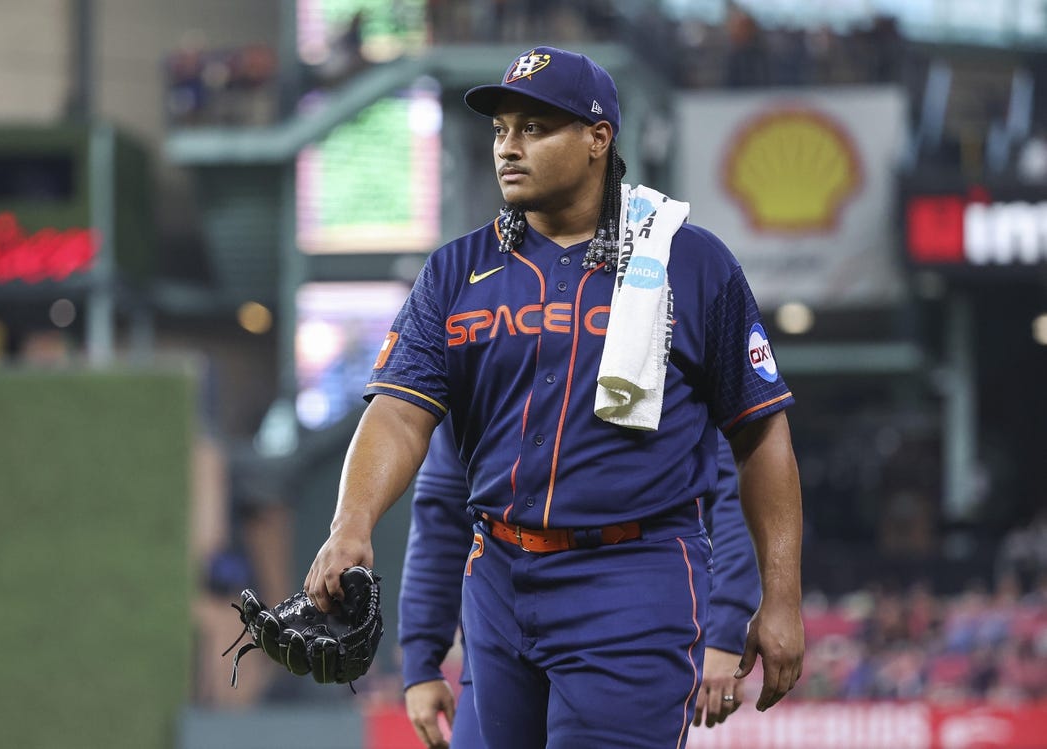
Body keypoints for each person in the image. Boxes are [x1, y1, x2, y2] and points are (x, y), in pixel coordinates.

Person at [305, 45, 805, 748]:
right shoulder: (456, 271)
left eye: (535, 128)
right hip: (500, 582)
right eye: (501, 129)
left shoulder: (691, 264)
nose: (509, 146)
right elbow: (400, 413)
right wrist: (350, 523)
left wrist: (778, 599)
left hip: (632, 578)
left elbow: (760, 437)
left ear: (599, 138)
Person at [401, 422, 761, 748]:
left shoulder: (665, 351)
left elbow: (736, 489)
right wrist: (421, 661)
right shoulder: (478, 353)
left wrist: (725, 631)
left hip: (626, 620)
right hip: (498, 633)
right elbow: (442, 507)